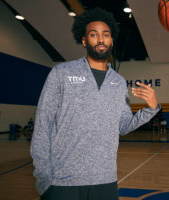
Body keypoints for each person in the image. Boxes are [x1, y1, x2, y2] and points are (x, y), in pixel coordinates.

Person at [31, 8, 160, 200]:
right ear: (84, 41)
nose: (101, 39)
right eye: (94, 34)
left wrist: (150, 108)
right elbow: (43, 125)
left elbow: (123, 126)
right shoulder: (61, 73)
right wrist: (44, 179)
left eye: (105, 35)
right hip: (62, 181)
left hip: (105, 180)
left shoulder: (119, 82)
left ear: (111, 40)